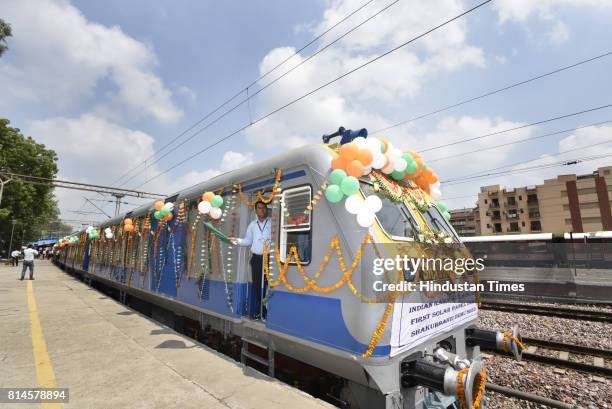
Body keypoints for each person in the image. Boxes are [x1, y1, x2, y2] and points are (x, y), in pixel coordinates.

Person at [230, 201, 271, 319]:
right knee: (258, 287)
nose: (262, 210)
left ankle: (269, 311)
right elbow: (248, 241)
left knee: (269, 286)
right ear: (255, 210)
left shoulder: (272, 222)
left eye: (264, 208)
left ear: (267, 209)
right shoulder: (252, 225)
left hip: (270, 259)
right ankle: (261, 311)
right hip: (257, 259)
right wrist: (236, 240)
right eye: (259, 208)